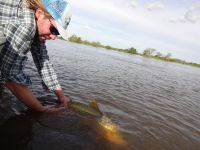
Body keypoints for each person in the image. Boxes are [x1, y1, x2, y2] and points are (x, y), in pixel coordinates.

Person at [0, 0, 72, 112]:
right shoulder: (26, 26)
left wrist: (61, 96)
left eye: (57, 33)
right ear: (39, 13)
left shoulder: (36, 23)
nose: (53, 37)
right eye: (53, 29)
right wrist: (41, 109)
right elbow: (10, 79)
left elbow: (43, 60)